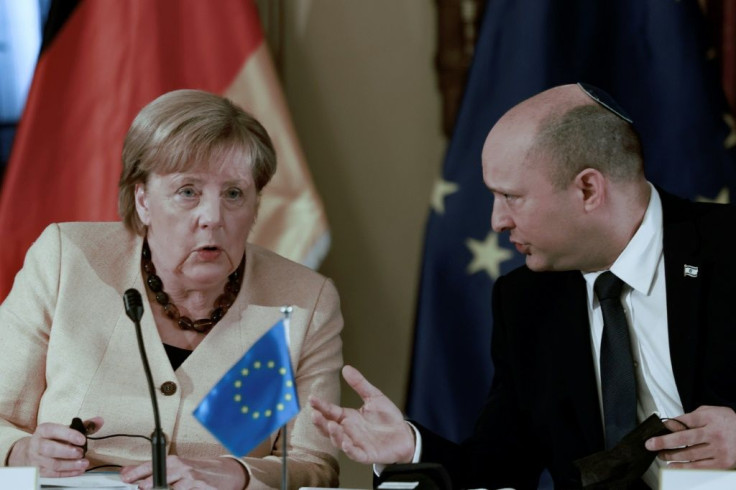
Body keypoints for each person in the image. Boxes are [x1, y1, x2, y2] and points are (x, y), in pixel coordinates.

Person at [309, 84, 736, 489]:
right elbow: (500, 467)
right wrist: (409, 446)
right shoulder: (526, 301)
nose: (497, 221)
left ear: (588, 188)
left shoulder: (725, 249)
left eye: (511, 197)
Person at [0, 89, 343, 490]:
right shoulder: (67, 260)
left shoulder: (305, 302)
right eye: (188, 192)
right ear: (142, 200)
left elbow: (314, 467)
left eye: (234, 194)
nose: (212, 218)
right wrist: (19, 452)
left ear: (255, 206)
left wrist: (240, 474)